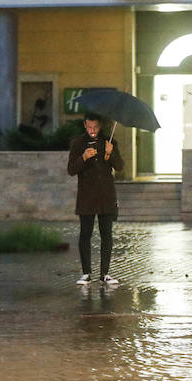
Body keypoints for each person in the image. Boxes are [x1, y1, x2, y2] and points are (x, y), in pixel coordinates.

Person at [67, 113, 124, 286]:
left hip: (106, 196)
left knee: (107, 234)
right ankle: (86, 273)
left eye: (96, 127)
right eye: (90, 127)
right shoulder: (78, 143)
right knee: (85, 234)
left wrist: (110, 153)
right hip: (87, 197)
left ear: (100, 126)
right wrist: (83, 157)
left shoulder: (110, 142)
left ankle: (105, 273)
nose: (93, 131)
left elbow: (120, 167)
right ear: (85, 125)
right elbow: (71, 169)